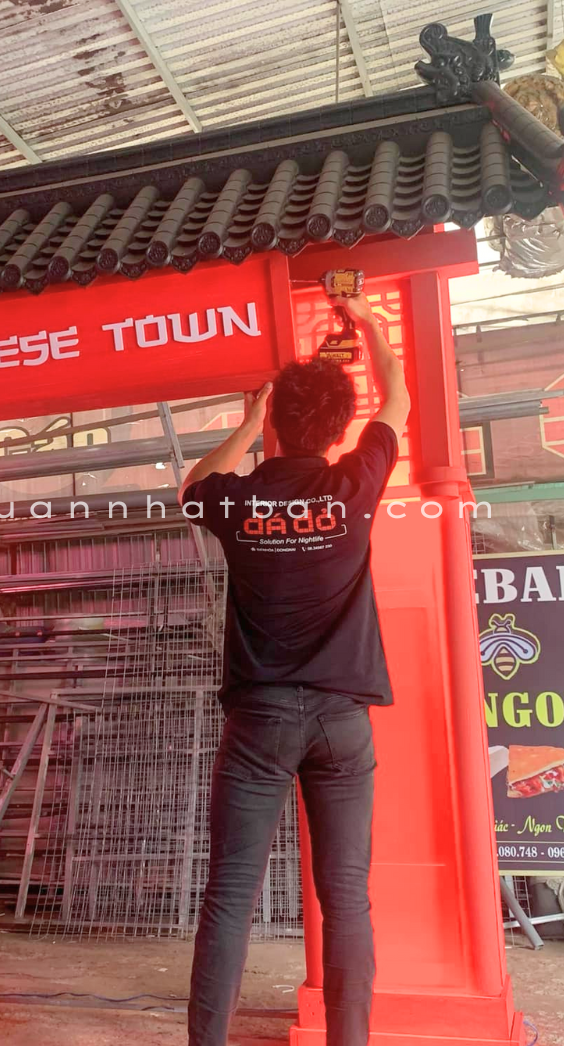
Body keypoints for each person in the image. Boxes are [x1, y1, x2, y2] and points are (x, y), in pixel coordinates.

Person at [179, 292, 410, 1046]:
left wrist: (247, 424)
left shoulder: (236, 500)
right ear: (341, 429)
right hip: (343, 722)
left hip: (261, 723)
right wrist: (370, 327)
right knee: (346, 899)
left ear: (276, 421)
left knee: (230, 896)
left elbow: (190, 486)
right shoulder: (354, 485)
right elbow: (398, 398)